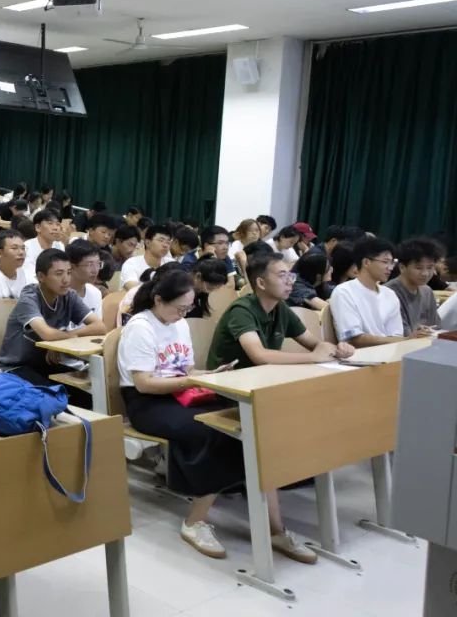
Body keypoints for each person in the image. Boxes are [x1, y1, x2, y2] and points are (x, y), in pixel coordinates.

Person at [117, 268, 312, 562]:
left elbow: (184, 369)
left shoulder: (178, 324)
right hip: (147, 403)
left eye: (188, 309)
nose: (183, 315)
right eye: (179, 308)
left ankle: (275, 529)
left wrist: (209, 375)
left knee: (248, 423)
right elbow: (144, 383)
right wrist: (192, 381)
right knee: (218, 432)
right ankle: (194, 522)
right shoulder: (140, 327)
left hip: (181, 393)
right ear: (158, 300)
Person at [208, 252, 354, 370]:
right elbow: (260, 356)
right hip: (228, 383)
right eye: (282, 276)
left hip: (261, 378)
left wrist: (338, 350)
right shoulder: (241, 310)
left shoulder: (280, 308)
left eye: (290, 275)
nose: (290, 282)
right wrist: (312, 357)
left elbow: (316, 344)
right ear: (261, 283)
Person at [0, 249, 105, 388]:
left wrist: (63, 337)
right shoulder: (29, 298)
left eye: (69, 272)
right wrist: (66, 337)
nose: (66, 279)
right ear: (41, 276)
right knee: (51, 395)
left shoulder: (69, 295)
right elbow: (47, 334)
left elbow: (100, 327)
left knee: (87, 391)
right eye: (59, 274)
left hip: (48, 364)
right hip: (16, 367)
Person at [327, 237, 416, 346]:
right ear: (366, 262)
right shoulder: (344, 292)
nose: (390, 268)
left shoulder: (390, 294)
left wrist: (405, 340)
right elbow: (353, 339)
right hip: (358, 354)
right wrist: (406, 340)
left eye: (392, 262)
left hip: (388, 352)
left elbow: (396, 336)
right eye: (385, 262)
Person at [386, 238, 443, 336]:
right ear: (402, 267)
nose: (425, 273)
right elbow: (400, 334)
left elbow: (436, 327)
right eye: (418, 268)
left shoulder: (427, 291)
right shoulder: (389, 292)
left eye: (430, 267)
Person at [120, 223, 174, 289]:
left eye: (168, 242)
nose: (165, 245)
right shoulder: (131, 264)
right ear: (148, 242)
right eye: (161, 240)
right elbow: (133, 288)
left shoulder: (171, 264)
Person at [20, 210, 64, 282]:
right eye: (50, 223)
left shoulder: (60, 246)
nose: (55, 228)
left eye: (58, 224)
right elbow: (29, 276)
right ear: (38, 227)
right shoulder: (26, 247)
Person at [66, 239, 104, 312]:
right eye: (90, 265)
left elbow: (98, 320)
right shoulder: (57, 295)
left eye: (98, 264)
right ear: (72, 266)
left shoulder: (95, 293)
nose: (95, 270)